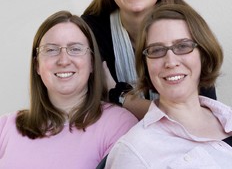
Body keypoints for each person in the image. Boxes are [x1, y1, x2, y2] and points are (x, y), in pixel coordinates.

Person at [81, 0, 216, 120]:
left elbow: (198, 116)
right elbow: (87, 111)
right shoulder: (89, 32)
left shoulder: (188, 28)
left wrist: (120, 95)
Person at [105, 3, 232, 168]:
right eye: (156, 50)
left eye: (182, 46)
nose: (171, 62)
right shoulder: (133, 151)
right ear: (145, 64)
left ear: (203, 53)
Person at [0, 11, 138, 169]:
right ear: (37, 65)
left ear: (92, 62)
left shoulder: (118, 125)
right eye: (51, 50)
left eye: (75, 49)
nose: (64, 60)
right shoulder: (5, 127)